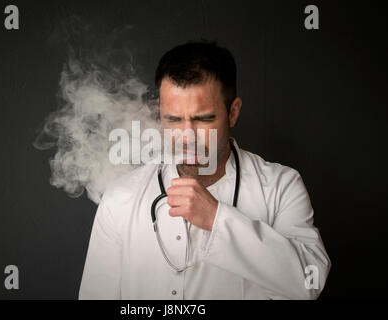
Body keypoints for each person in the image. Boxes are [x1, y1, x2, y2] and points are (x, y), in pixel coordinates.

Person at [78, 41, 331, 299]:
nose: (187, 136)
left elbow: (309, 282)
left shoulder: (280, 186)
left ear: (232, 112)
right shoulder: (121, 197)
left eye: (203, 118)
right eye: (173, 119)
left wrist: (217, 219)